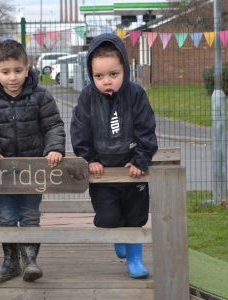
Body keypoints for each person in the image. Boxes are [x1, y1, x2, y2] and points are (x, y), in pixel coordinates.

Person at [0, 39, 66, 283]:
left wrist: (53, 148)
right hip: (1, 170)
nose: (12, 77)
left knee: (30, 214)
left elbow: (53, 125)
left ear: (28, 69)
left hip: (32, 169)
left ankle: (30, 261)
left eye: (17, 71)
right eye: (5, 72)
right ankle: (10, 261)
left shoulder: (41, 96)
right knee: (6, 216)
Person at [70, 33, 158, 279]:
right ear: (91, 75)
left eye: (113, 74)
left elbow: (146, 127)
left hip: (132, 169)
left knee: (135, 217)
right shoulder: (87, 97)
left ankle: (135, 260)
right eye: (99, 76)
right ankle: (118, 238)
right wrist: (90, 159)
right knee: (108, 217)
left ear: (125, 70)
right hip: (103, 172)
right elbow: (79, 130)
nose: (106, 81)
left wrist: (141, 158)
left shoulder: (135, 94)